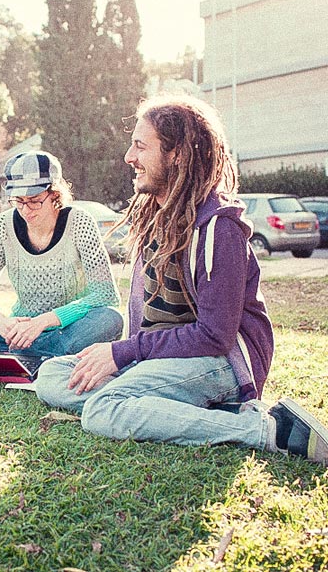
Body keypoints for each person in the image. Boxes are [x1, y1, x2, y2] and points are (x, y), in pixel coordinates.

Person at [34, 94, 328, 465]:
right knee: (53, 375)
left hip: (221, 361)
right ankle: (165, 407)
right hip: (165, 356)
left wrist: (124, 353)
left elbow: (215, 335)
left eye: (140, 146)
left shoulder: (219, 228)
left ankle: (269, 430)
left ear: (176, 155)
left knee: (102, 410)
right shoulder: (155, 216)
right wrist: (125, 357)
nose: (129, 157)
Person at [0, 151, 123, 358]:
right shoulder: (2, 225)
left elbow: (105, 295)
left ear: (55, 194)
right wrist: (0, 321)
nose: (25, 210)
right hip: (18, 329)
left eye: (34, 200)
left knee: (110, 319)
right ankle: (40, 352)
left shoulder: (80, 222)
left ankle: (14, 351)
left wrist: (44, 321)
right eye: (18, 201)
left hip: (68, 327)